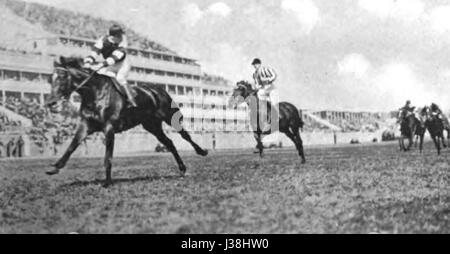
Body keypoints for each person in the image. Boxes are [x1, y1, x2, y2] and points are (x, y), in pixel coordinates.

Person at [83, 24, 137, 107]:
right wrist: (88, 61)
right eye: (119, 36)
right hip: (110, 64)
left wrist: (100, 65)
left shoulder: (123, 43)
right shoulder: (103, 40)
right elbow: (95, 52)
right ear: (113, 36)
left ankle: (131, 98)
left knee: (120, 78)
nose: (120, 38)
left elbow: (113, 58)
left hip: (123, 64)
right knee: (100, 75)